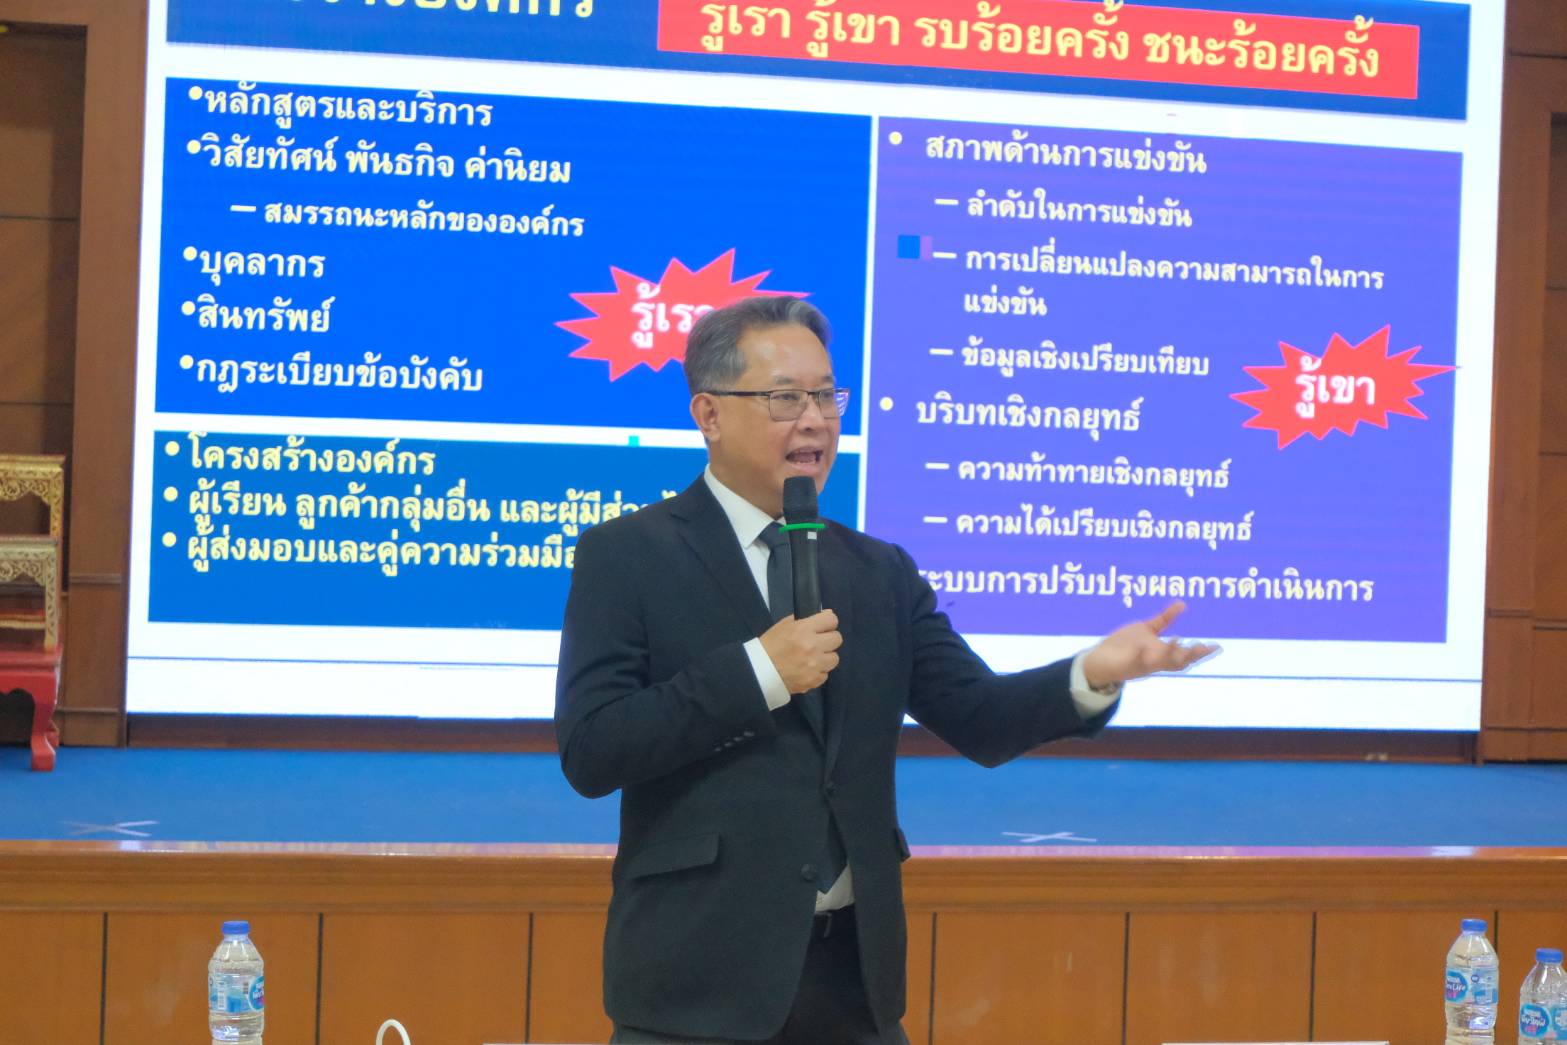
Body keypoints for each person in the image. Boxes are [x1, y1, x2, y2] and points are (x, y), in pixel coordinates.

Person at [554, 295, 1217, 1043]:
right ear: (708, 413)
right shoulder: (628, 555)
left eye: (826, 396)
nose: (814, 420)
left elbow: (980, 718)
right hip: (697, 987)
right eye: (784, 398)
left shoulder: (878, 572)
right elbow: (593, 749)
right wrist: (759, 672)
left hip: (853, 985)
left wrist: (1090, 672)